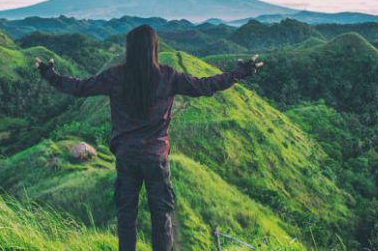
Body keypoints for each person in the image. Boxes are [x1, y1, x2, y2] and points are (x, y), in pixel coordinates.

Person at [35, 24, 263, 251]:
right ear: (154, 48)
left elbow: (80, 87)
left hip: (127, 156)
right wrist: (240, 72)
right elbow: (205, 85)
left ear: (130, 49)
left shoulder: (115, 76)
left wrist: (50, 75)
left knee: (126, 217)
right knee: (161, 216)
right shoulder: (168, 76)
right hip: (156, 157)